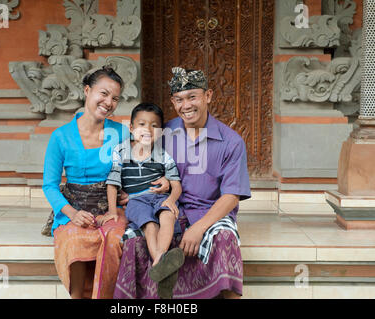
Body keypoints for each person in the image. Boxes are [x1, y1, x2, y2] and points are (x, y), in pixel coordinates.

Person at [113, 67, 251, 299]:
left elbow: (231, 196)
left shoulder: (231, 142)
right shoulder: (163, 131)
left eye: (192, 97)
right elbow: (136, 159)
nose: (186, 105)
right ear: (172, 102)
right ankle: (158, 287)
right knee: (135, 240)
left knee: (225, 239)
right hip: (164, 207)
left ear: (208, 96)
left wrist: (198, 228)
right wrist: (130, 192)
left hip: (208, 212)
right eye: (179, 99)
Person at [42, 67, 169, 299]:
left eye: (115, 98)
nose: (109, 102)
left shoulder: (121, 132)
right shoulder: (60, 136)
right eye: (104, 93)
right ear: (87, 90)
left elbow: (143, 163)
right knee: (75, 240)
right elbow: (49, 185)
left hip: (113, 209)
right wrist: (72, 213)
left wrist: (141, 190)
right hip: (75, 209)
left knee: (114, 240)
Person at [106, 103, 183, 298]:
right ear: (131, 128)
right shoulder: (121, 151)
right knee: (149, 224)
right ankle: (161, 262)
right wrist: (112, 211)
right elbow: (113, 182)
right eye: (142, 124)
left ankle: (159, 261)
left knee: (167, 216)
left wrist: (172, 200)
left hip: (159, 197)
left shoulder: (163, 155)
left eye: (154, 126)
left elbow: (176, 185)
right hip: (136, 201)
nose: (148, 130)